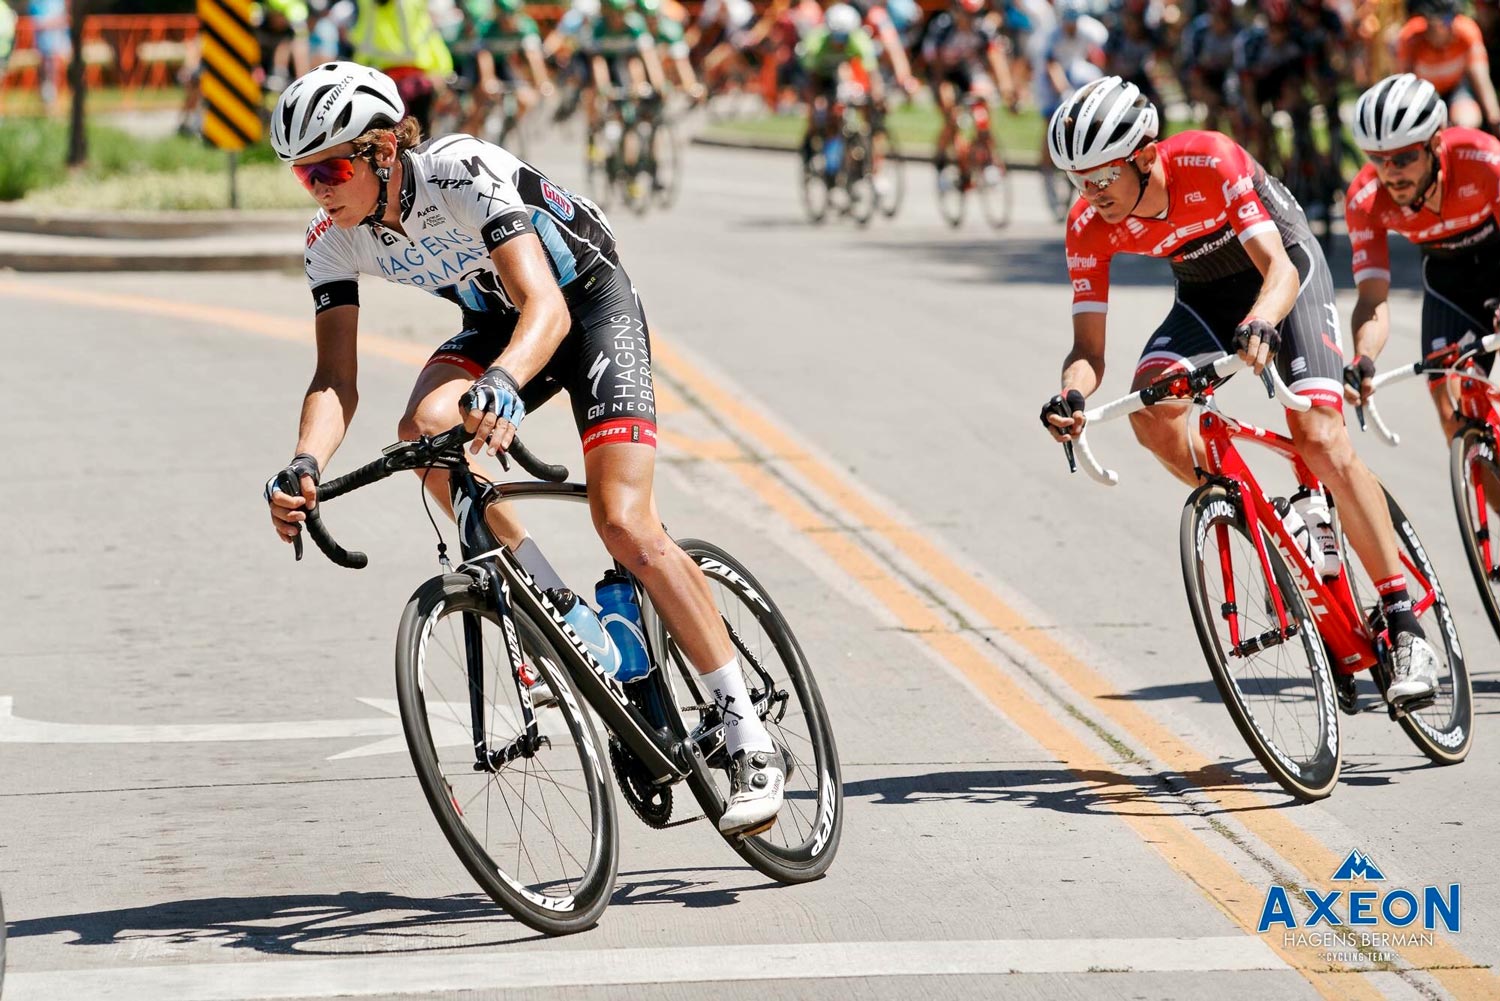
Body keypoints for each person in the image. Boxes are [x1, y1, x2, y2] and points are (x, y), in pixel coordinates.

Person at [264, 62, 786, 835]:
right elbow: (335, 377)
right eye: (305, 176)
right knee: (427, 432)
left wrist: (506, 382)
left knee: (625, 523)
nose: (320, 189)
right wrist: (305, 462)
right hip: (497, 324)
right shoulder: (333, 242)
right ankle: (563, 610)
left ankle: (746, 735)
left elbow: (546, 305)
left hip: (584, 303)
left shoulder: (459, 172)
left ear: (383, 150)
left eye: (332, 168)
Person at [1040, 76, 1440, 709]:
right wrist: (1071, 396)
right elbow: (1088, 352)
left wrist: (1261, 323)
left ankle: (1404, 622)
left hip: (1283, 273)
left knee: (1318, 436)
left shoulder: (1209, 160)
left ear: (1144, 156)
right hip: (1204, 297)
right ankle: (1264, 521)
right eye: (1077, 180)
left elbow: (1279, 269)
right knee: (1151, 408)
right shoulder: (1089, 223)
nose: (1090, 195)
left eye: (1101, 177)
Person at [1345, 74, 1500, 488]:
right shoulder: (1365, 200)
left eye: (1403, 158)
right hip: (1448, 282)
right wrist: (1363, 358)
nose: (1389, 172)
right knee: (1451, 411)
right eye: (1377, 159)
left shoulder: (1483, 159)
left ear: (1435, 144)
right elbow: (1372, 300)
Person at [922, 0, 1018, 191]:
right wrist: (945, 94)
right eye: (968, 14)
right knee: (951, 114)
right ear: (957, 11)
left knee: (983, 101)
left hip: (968, 71)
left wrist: (1006, 88)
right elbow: (934, 64)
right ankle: (942, 158)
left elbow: (995, 57)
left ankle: (987, 157)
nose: (972, 19)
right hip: (944, 73)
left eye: (975, 14)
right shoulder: (942, 28)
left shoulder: (982, 28)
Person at [350, 0, 455, 132]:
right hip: (391, 78)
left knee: (413, 134)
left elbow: (428, 32)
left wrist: (443, 71)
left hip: (414, 79)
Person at [1397, 0, 1500, 132]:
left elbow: (1481, 78)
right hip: (1425, 93)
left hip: (1457, 89)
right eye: (1446, 19)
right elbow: (1406, 83)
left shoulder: (1466, 30)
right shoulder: (1410, 38)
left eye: (1454, 16)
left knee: (1467, 122)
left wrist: (1494, 117)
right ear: (1429, 20)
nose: (1452, 23)